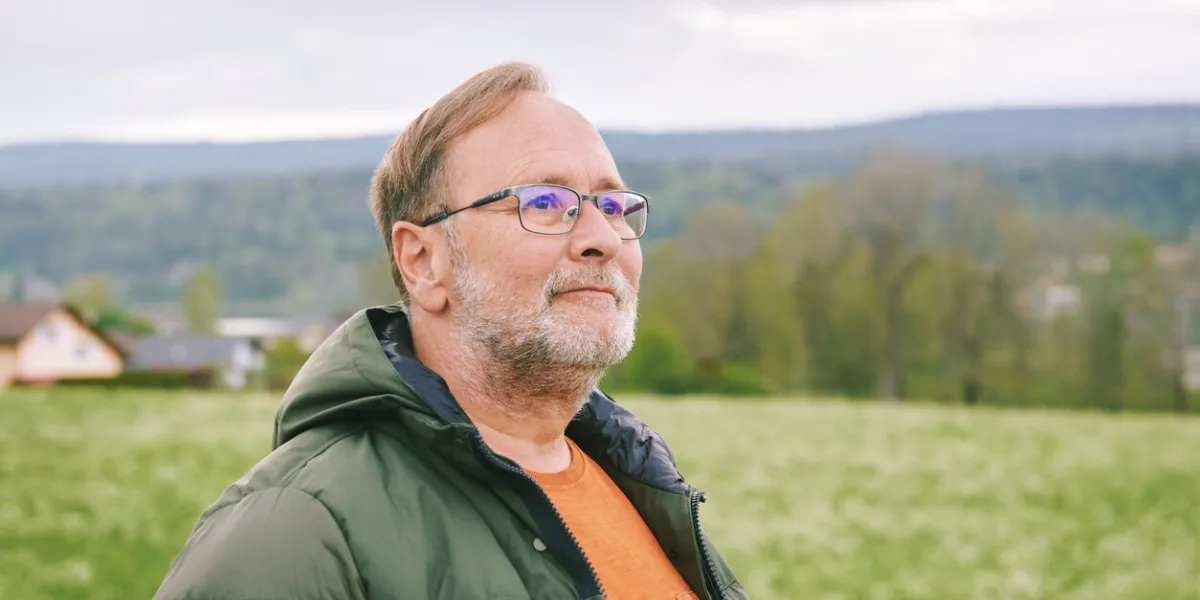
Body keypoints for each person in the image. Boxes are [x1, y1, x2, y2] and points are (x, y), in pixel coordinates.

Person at [152, 61, 748, 600]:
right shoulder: (296, 532)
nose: (600, 236)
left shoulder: (642, 487)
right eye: (545, 202)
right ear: (422, 262)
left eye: (614, 207)